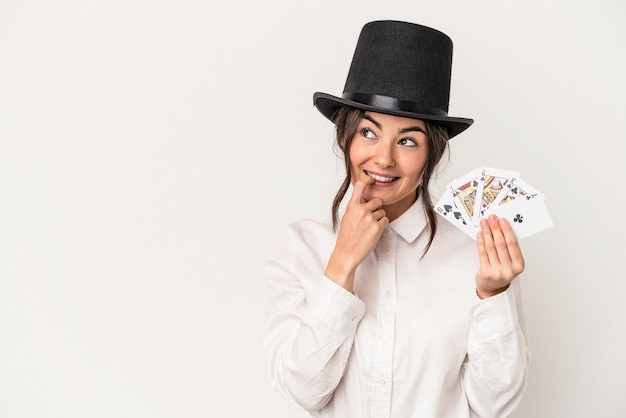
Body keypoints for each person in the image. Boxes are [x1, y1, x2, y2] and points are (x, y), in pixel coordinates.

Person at [263, 20, 530, 418]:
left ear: (431, 154)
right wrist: (342, 265)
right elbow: (303, 392)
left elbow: (496, 407)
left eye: (407, 140)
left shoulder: (476, 255)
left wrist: (492, 295)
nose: (384, 158)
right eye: (369, 133)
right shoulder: (301, 246)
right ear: (345, 137)